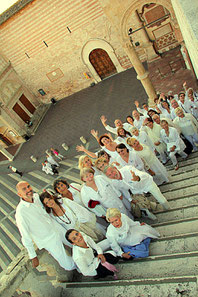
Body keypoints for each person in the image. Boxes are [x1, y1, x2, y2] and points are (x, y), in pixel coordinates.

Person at [15, 181, 75, 270]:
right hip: (48, 239)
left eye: (28, 186)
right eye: (24, 189)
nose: (28, 190)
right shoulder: (21, 212)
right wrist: (33, 256)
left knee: (74, 243)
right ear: (19, 194)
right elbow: (25, 235)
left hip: (56, 228)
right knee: (68, 264)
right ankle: (82, 267)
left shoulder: (36, 197)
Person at [40, 192, 104, 242]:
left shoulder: (65, 202)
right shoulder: (51, 215)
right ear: (45, 205)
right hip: (75, 234)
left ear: (52, 197)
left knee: (101, 237)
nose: (50, 203)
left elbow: (79, 210)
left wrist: (80, 226)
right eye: (47, 203)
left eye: (49, 199)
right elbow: (62, 227)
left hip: (85, 225)